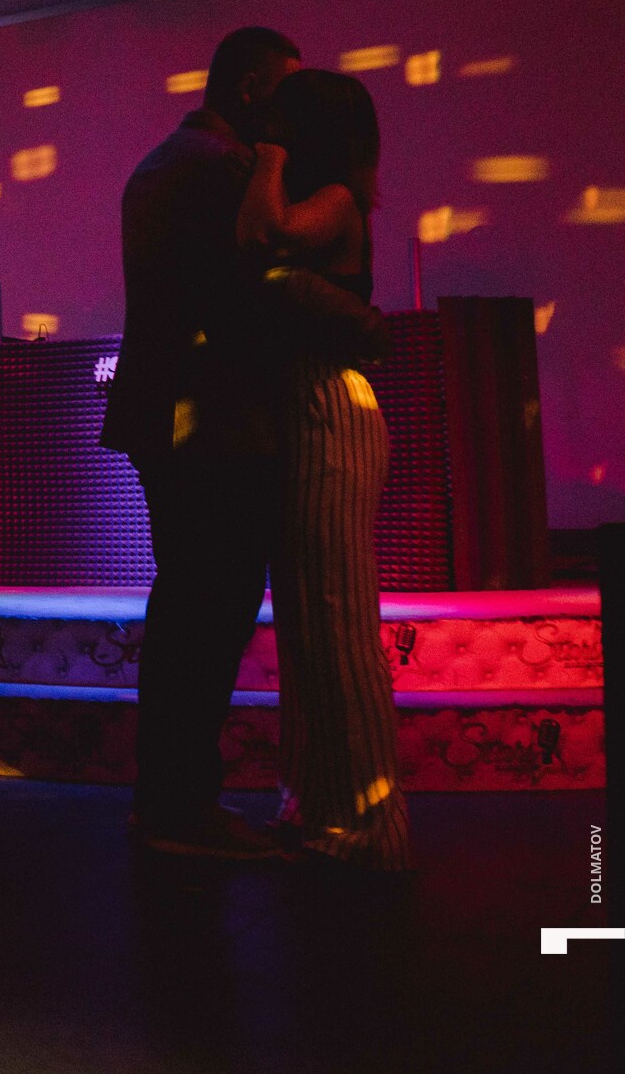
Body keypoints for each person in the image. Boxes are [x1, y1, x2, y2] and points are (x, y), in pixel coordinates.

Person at [99, 26, 301, 861]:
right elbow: (252, 289)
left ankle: (166, 800)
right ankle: (182, 805)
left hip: (162, 409)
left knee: (184, 599)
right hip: (213, 413)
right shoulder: (227, 168)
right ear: (252, 88)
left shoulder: (158, 163)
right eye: (286, 92)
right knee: (212, 608)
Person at [237, 69, 411, 871]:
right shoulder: (339, 197)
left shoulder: (335, 198)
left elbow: (265, 232)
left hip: (329, 406)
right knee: (312, 625)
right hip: (313, 406)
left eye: (280, 119)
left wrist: (269, 154)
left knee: (336, 622)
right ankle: (320, 808)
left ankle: (374, 827)